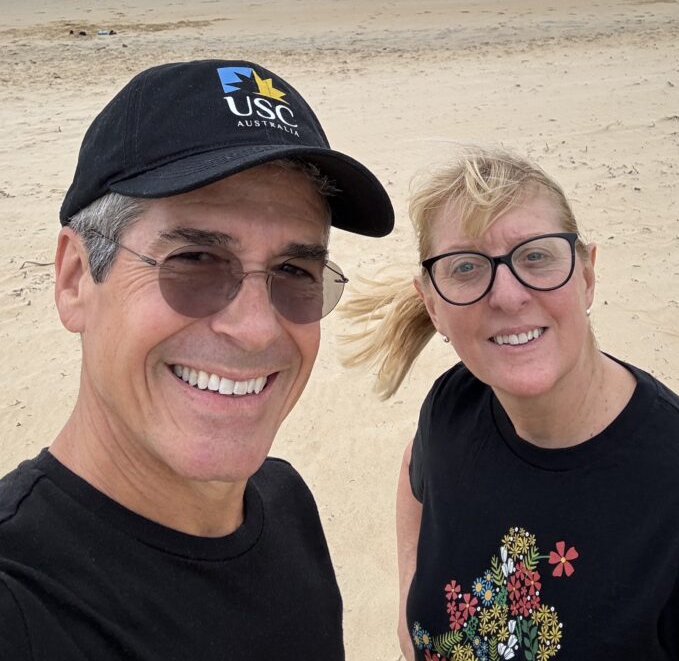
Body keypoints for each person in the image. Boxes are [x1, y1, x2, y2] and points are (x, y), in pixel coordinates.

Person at [0, 58, 394, 660]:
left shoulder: (284, 503)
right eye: (194, 261)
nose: (257, 327)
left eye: (294, 272)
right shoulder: (22, 601)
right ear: (77, 278)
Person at [343, 148, 679, 660]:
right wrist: (408, 610)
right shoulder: (454, 404)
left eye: (536, 256)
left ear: (587, 275)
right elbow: (417, 471)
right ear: (432, 303)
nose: (506, 296)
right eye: (465, 267)